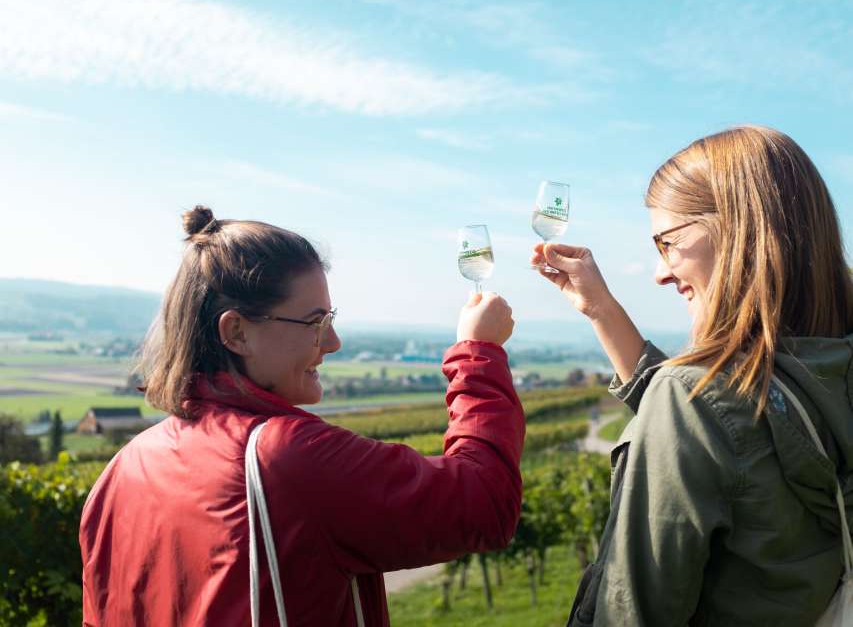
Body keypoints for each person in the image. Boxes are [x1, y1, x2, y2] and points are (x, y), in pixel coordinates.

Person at [80, 206, 524, 626]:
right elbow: (485, 503)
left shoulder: (124, 469)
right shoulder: (287, 458)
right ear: (236, 332)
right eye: (315, 322)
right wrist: (478, 353)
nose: (333, 342)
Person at [531, 125, 853, 626]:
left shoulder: (693, 404)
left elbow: (631, 613)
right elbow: (729, 426)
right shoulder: (830, 369)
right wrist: (602, 310)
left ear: (737, 231)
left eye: (668, 242)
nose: (660, 272)